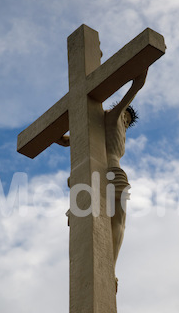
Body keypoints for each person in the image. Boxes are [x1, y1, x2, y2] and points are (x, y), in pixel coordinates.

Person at [56, 71, 147, 267]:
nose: (124, 121)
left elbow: (63, 140)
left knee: (117, 220)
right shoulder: (111, 118)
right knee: (115, 220)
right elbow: (63, 140)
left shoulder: (103, 130)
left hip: (106, 173)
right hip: (108, 172)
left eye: (128, 122)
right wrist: (140, 78)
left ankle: (110, 265)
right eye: (125, 115)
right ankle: (109, 266)